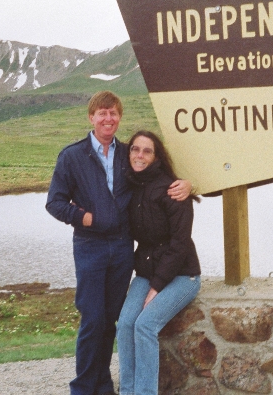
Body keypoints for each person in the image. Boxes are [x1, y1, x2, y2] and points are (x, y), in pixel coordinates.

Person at [46, 91, 191, 395]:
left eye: (113, 113)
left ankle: (103, 385)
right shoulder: (72, 156)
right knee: (92, 318)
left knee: (112, 318)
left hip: (123, 249)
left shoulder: (128, 154)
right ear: (91, 117)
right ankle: (84, 387)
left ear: (119, 118)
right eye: (102, 113)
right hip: (90, 247)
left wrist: (188, 184)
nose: (108, 119)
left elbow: (157, 176)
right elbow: (55, 203)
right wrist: (86, 218)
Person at [117, 130, 201, 395]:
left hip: (182, 275)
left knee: (145, 325)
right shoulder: (130, 184)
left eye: (147, 151)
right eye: (135, 149)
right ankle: (128, 391)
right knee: (126, 323)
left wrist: (157, 286)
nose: (139, 155)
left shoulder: (174, 190)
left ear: (156, 157)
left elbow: (179, 245)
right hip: (146, 272)